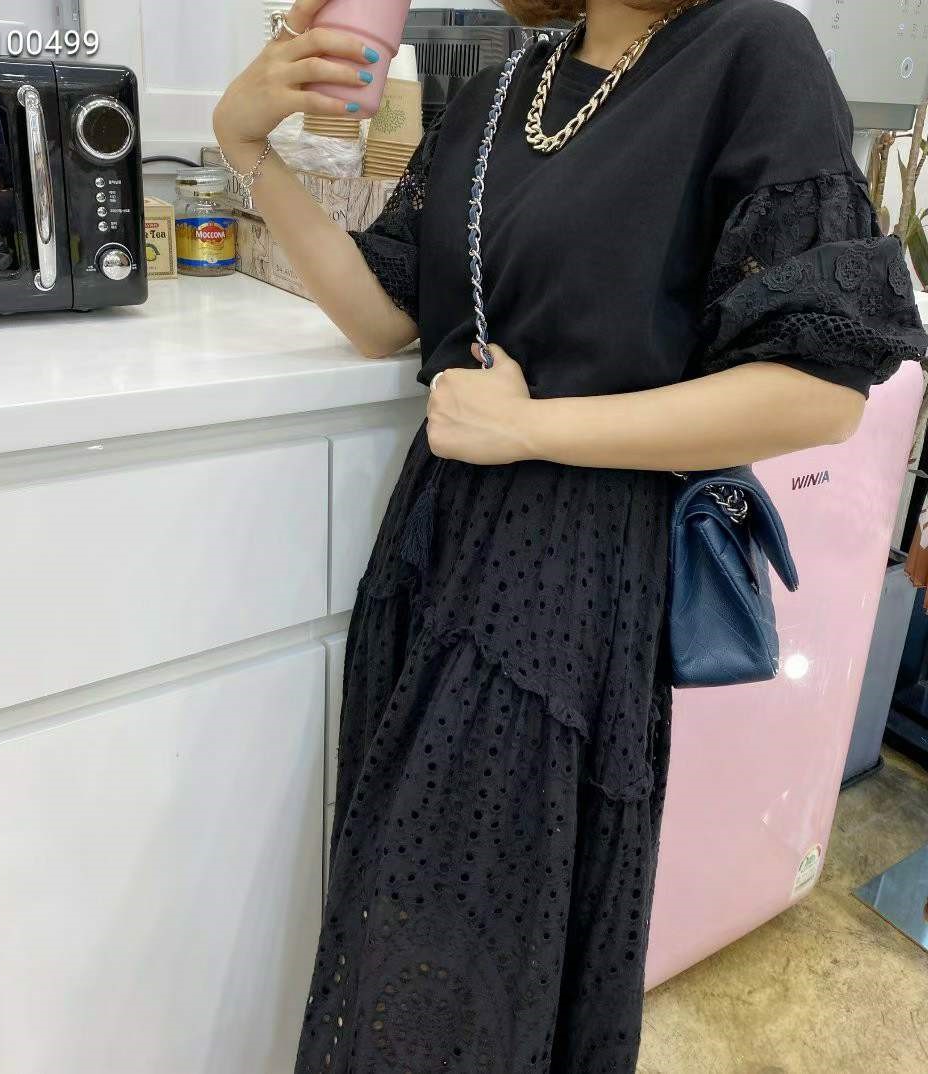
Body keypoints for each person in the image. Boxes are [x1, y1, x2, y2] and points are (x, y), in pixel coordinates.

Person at [213, 1, 928, 1070]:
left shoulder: (749, 50)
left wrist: (532, 428)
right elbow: (381, 316)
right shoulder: (501, 88)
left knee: (467, 961)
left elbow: (820, 391)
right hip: (433, 543)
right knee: (401, 922)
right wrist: (246, 148)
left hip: (571, 575)